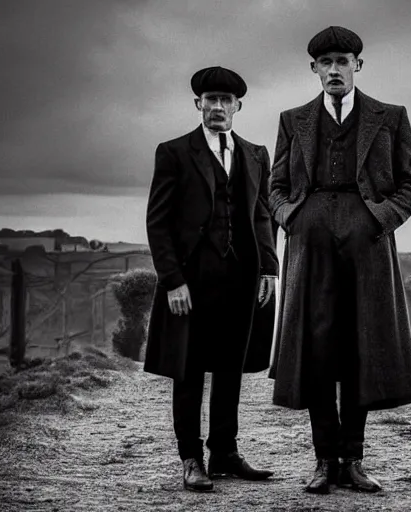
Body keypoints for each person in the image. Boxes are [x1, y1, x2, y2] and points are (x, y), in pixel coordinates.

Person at [269, 26, 411, 495]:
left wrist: (378, 219)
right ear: (314, 69)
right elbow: (274, 187)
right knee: (316, 351)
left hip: (368, 244)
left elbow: (410, 186)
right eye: (325, 62)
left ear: (358, 64)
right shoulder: (292, 119)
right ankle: (323, 460)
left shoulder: (390, 117)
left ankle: (352, 461)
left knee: (362, 347)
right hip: (309, 246)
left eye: (343, 60)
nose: (334, 69)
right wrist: (291, 218)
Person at [144, 66, 279, 492]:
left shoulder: (256, 153)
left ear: (238, 106)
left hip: (241, 278)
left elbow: (262, 214)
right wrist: (172, 280)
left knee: (229, 369)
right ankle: (191, 458)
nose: (217, 106)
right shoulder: (173, 152)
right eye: (210, 99)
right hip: (191, 280)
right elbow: (158, 222)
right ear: (198, 104)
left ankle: (224, 451)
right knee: (188, 371)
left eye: (225, 100)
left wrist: (269, 267)